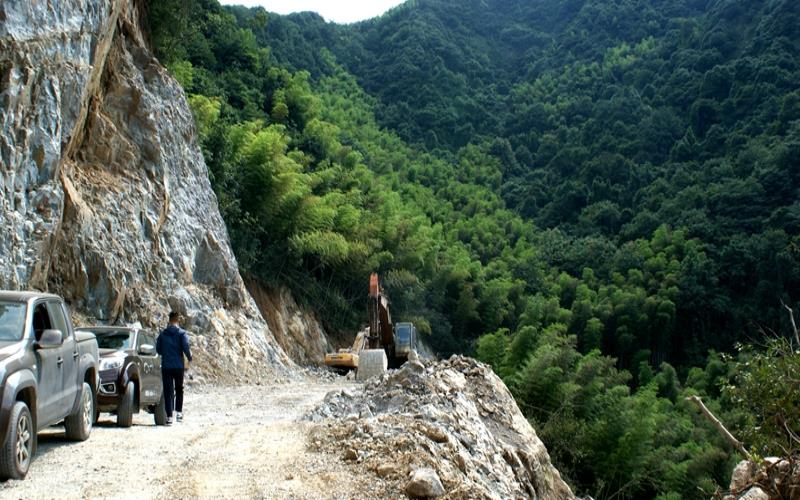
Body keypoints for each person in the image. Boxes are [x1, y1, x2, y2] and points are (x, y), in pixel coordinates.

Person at [156, 311, 192, 424]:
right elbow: (186, 347)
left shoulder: (162, 334)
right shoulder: (182, 333)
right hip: (178, 366)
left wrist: (166, 353)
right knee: (179, 389)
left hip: (166, 366)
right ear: (178, 320)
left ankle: (169, 417)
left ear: (169, 320)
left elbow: (158, 350)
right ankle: (179, 413)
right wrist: (189, 357)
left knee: (168, 390)